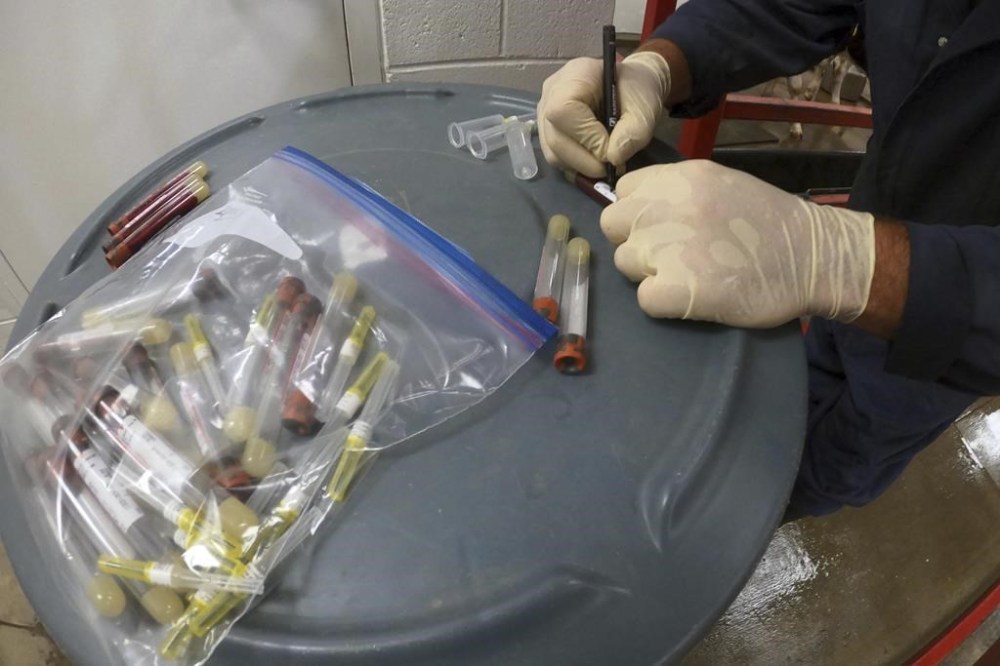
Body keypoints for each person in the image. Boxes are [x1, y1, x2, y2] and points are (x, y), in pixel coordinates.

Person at [537, 1, 1000, 519]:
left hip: (959, 327)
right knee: (793, 384)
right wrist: (660, 64)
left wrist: (849, 261)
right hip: (871, 210)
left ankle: (733, 529)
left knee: (839, 455)